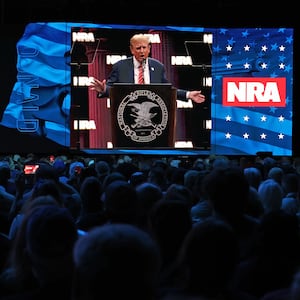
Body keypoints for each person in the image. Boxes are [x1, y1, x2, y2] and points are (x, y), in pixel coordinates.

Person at [89, 33, 206, 104]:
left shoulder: (158, 66)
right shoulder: (120, 66)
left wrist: (188, 94)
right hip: (127, 116)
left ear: (149, 48)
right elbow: (114, 89)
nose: (142, 51)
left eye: (144, 47)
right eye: (138, 48)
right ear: (131, 49)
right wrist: (104, 89)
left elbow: (166, 90)